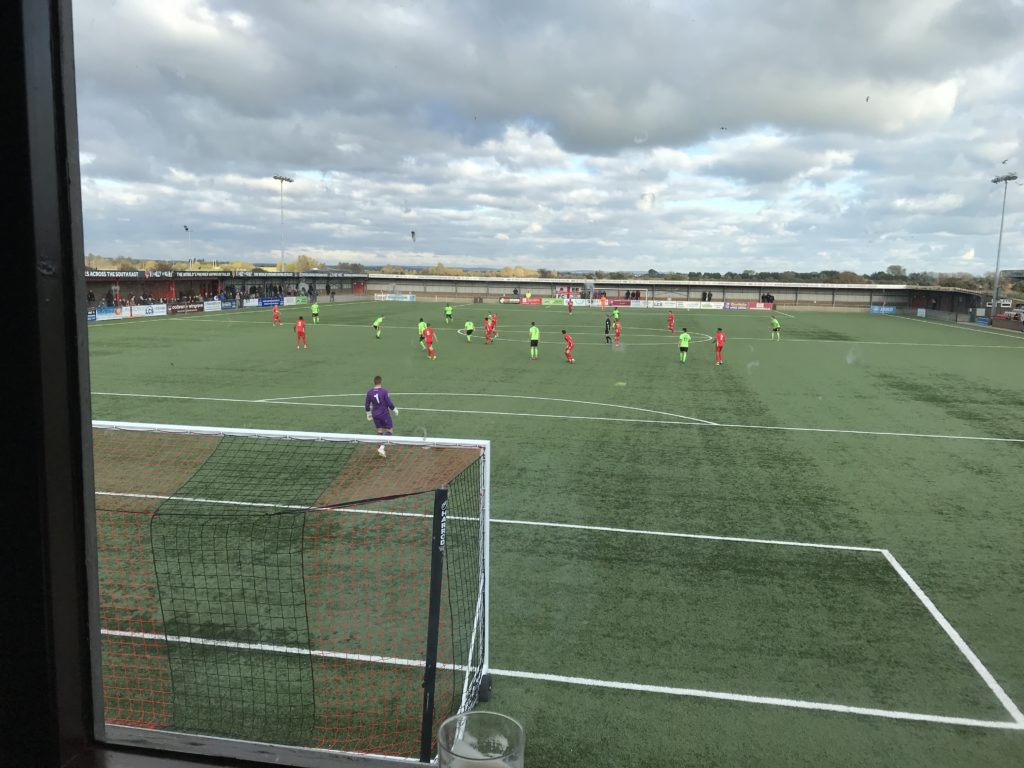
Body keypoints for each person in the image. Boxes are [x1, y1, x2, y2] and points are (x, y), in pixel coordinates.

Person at [365, 375, 398, 457]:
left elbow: (367, 405)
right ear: (381, 382)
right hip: (384, 414)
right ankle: (382, 447)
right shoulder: (384, 391)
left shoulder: (369, 392)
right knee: (390, 430)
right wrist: (394, 409)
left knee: (379, 430)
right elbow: (389, 403)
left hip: (375, 414)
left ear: (374, 382)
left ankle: (380, 450)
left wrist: (368, 414)